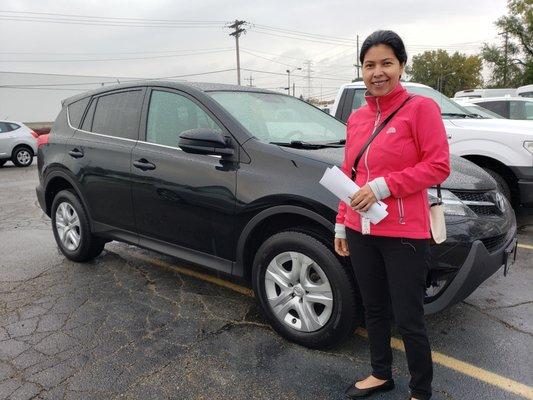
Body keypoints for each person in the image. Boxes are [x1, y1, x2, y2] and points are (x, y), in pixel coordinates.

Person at [334, 30, 450, 400]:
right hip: (360, 230)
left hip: (405, 233)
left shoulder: (421, 109)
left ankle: (421, 389)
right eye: (369, 65)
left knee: (409, 317)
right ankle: (380, 373)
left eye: (386, 63)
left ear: (401, 65)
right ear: (362, 71)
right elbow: (349, 174)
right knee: (374, 308)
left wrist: (384, 186)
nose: (377, 72)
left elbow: (438, 166)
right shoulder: (356, 118)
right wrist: (341, 222)